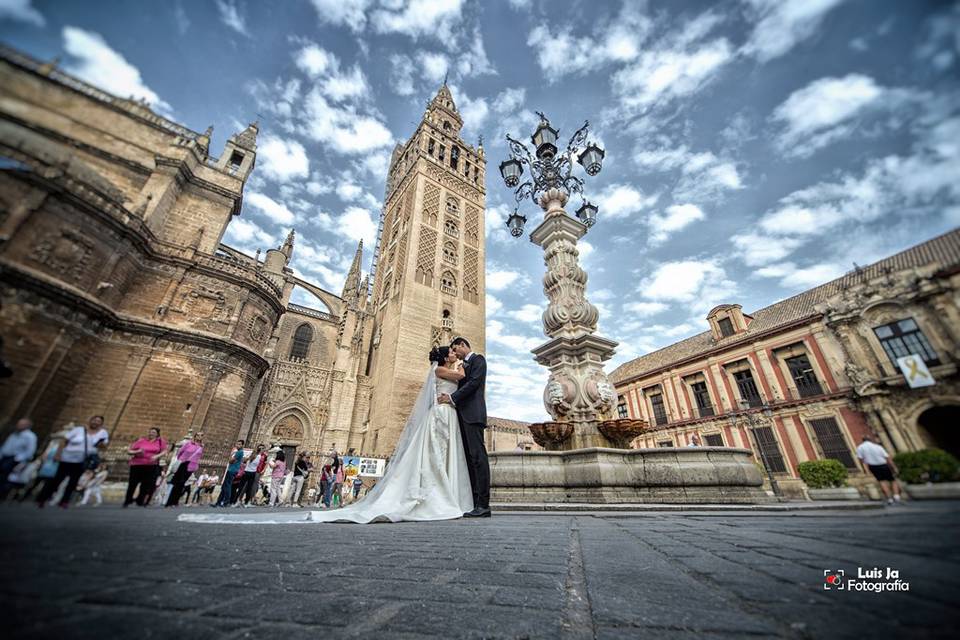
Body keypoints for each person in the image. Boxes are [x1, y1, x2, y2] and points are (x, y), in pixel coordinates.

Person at [181, 344, 474, 525]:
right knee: (435, 454)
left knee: (437, 455)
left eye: (454, 351)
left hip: (444, 414)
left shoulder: (440, 370)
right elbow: (461, 377)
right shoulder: (441, 371)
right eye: (450, 351)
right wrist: (462, 363)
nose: (454, 352)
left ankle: (439, 492)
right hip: (440, 414)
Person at [442, 336, 490, 518]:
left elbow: (474, 383)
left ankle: (484, 505)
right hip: (462, 415)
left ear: (463, 345)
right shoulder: (462, 366)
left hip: (473, 414)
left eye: (455, 349)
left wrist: (452, 398)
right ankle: (474, 501)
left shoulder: (478, 360)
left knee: (478, 458)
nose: (454, 353)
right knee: (469, 460)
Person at [36, 416, 109, 509]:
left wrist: (101, 444)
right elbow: (64, 441)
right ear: (90, 421)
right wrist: (58, 454)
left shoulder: (103, 433)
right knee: (57, 480)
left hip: (82, 460)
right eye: (94, 420)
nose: (96, 422)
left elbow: (104, 446)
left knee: (73, 482)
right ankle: (43, 499)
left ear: (101, 424)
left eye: (98, 421)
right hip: (67, 458)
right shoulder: (78, 430)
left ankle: (64, 501)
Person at [124, 427, 166, 507]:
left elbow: (164, 451)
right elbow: (129, 451)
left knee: (145, 484)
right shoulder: (141, 440)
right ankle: (127, 500)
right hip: (136, 464)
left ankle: (140, 500)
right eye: (150, 432)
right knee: (133, 483)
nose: (151, 434)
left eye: (153, 432)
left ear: (157, 434)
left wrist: (157, 456)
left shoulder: (160, 442)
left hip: (151, 465)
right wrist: (137, 451)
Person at [856, 435, 902, 505]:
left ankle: (889, 499)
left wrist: (865, 469)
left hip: (873, 466)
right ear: (870, 440)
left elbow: (860, 459)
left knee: (881, 481)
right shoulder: (877, 447)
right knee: (892, 480)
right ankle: (896, 496)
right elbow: (887, 457)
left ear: (863, 440)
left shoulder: (860, 447)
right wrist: (893, 466)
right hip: (883, 465)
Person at [0, 418, 37, 500]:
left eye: (21, 424)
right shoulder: (14, 434)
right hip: (5, 456)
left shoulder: (30, 436)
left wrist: (19, 459)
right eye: (19, 423)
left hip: (15, 458)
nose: (18, 425)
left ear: (27, 426)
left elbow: (31, 450)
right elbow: (6, 445)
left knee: (6, 476)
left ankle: (3, 494)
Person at [166, 432, 204, 507]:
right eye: (198, 435)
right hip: (183, 465)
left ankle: (175, 502)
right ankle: (170, 502)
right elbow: (180, 453)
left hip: (191, 468)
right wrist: (181, 460)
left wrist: (195, 466)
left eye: (201, 435)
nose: (199, 437)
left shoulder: (201, 447)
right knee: (177, 483)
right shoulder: (188, 444)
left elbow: (198, 457)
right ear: (195, 436)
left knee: (182, 484)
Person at [213, 440, 245, 507]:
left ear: (242, 445)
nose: (237, 445)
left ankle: (226, 502)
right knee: (224, 486)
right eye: (237, 444)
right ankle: (219, 502)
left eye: (239, 444)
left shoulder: (239, 452)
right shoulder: (238, 452)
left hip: (232, 470)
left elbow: (231, 461)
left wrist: (231, 455)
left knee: (227, 486)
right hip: (231, 470)